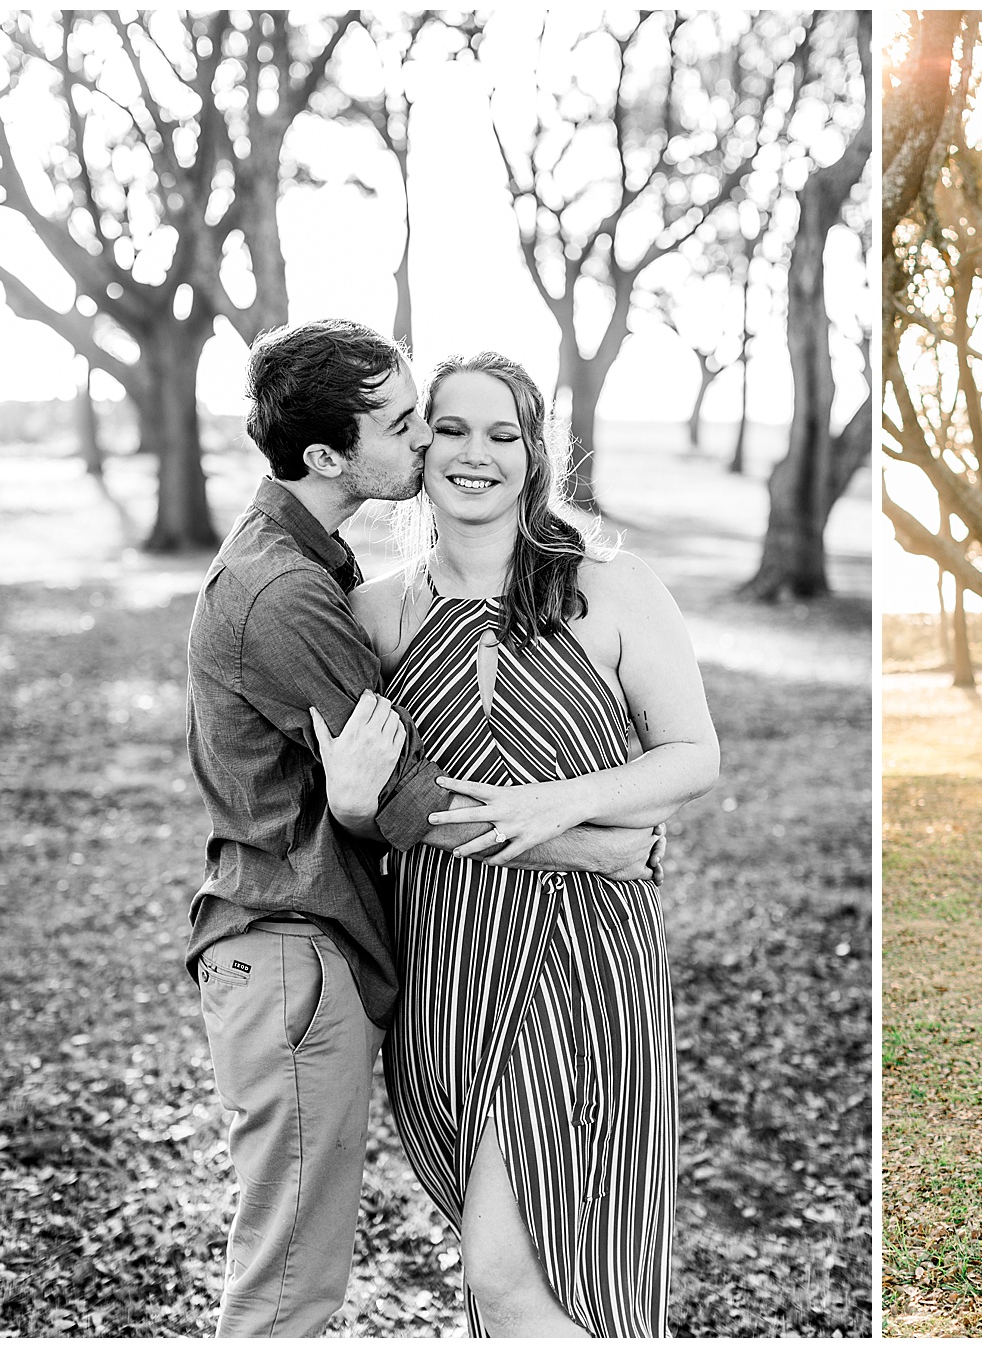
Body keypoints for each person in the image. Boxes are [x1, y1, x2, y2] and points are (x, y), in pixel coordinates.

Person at [185, 319, 658, 1337]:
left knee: (314, 1280)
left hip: (338, 953)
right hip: (291, 951)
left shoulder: (316, 569)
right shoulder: (289, 594)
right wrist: (601, 845)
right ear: (328, 456)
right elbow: (401, 792)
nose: (433, 450)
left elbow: (379, 791)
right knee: (285, 1294)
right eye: (409, 426)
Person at [319, 351, 719, 1336]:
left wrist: (560, 804)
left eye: (504, 435)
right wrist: (348, 796)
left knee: (513, 1267)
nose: (474, 454)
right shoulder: (375, 614)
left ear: (537, 455)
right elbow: (377, 807)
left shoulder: (615, 592)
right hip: (447, 957)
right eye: (450, 428)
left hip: (585, 960)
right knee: (508, 1272)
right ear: (418, 446)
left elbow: (692, 754)